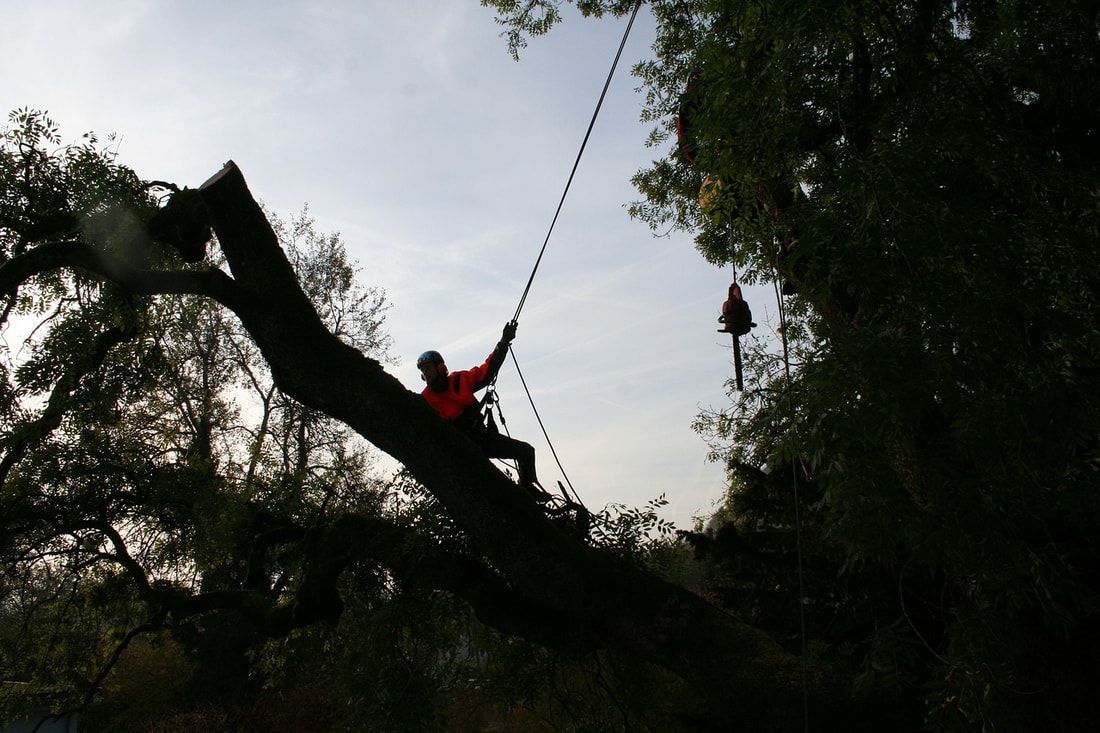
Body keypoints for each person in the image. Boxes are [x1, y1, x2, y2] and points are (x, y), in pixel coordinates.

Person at [417, 321, 548, 501]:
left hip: (483, 438)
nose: (426, 373)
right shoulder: (424, 400)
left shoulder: (459, 379)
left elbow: (487, 371)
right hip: (460, 448)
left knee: (526, 451)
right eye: (423, 371)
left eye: (428, 368)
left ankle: (527, 486)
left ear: (440, 368)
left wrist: (504, 342)